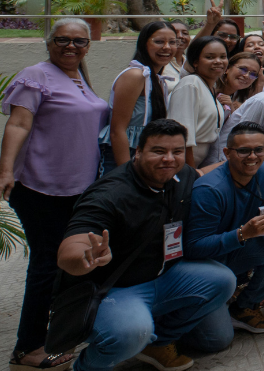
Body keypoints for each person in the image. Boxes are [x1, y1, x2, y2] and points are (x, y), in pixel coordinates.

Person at [56, 120, 237, 371]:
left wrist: (244, 160)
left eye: (177, 151)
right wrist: (86, 257)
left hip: (165, 276)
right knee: (132, 332)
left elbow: (201, 175)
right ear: (138, 152)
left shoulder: (180, 175)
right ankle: (85, 367)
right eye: (158, 151)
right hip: (117, 289)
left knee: (222, 283)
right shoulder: (110, 194)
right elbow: (69, 249)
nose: (169, 159)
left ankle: (159, 342)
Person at [0, 19, 108, 369]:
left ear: (88, 46)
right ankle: (28, 347)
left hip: (77, 189)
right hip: (40, 187)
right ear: (49, 43)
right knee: (47, 264)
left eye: (79, 41)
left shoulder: (81, 79)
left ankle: (56, 331)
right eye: (62, 39)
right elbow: (18, 124)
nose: (70, 46)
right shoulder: (37, 75)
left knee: (66, 264)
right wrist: (4, 170)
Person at [186, 122, 264, 335]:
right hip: (207, 264)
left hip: (237, 252)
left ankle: (245, 306)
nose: (253, 157)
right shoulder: (209, 190)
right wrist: (242, 234)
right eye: (244, 151)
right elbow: (193, 248)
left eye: (259, 150)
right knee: (217, 340)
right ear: (227, 153)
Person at [101, 21, 176, 174]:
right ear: (144, 44)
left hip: (145, 158)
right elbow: (117, 130)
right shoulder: (135, 75)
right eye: (159, 41)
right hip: (122, 159)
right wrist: (127, 175)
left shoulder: (157, 80)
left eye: (172, 42)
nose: (167, 47)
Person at [169, 36, 229, 168]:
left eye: (223, 56)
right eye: (210, 57)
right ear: (195, 62)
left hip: (201, 162)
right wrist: (190, 173)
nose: (218, 61)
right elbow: (183, 135)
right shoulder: (191, 84)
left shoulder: (209, 88)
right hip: (183, 164)